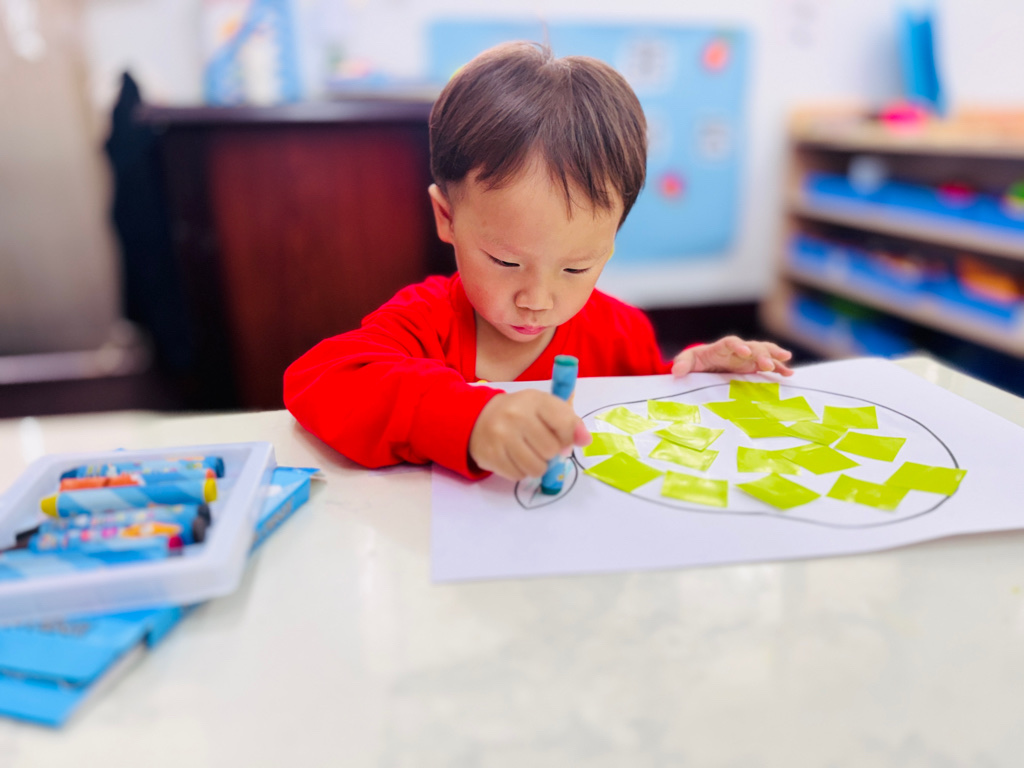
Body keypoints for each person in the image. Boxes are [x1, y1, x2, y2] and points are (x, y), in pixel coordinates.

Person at [284, 41, 792, 481]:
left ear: (611, 242)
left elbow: (646, 400)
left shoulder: (621, 334)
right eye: (506, 262)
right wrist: (473, 420)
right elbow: (318, 381)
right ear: (447, 217)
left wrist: (697, 377)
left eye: (576, 268)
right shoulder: (425, 323)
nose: (537, 300)